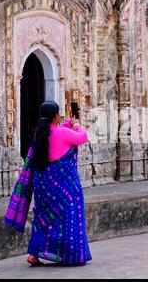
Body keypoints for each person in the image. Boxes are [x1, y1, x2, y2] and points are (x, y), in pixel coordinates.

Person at [5, 101, 92, 266]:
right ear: (56, 116)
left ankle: (34, 254)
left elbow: (57, 133)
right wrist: (78, 125)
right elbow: (82, 137)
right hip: (66, 188)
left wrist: (68, 124)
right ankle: (68, 256)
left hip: (43, 187)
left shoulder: (39, 135)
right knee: (67, 219)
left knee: (43, 220)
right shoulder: (63, 134)